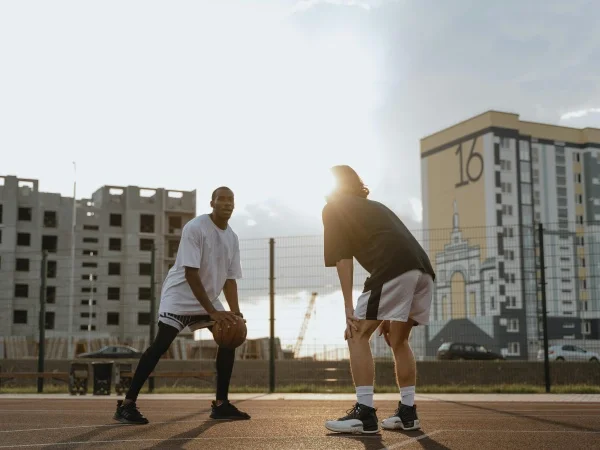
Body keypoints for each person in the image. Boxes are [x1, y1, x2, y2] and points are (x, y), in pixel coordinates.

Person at [113, 186, 251, 425]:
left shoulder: (232, 237)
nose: (227, 203)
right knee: (160, 345)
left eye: (231, 200)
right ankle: (127, 405)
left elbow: (230, 280)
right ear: (212, 203)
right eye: (222, 199)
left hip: (207, 298)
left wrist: (235, 313)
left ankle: (221, 404)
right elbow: (190, 274)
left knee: (229, 335)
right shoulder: (196, 228)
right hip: (179, 296)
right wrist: (213, 312)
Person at [321, 165, 435, 434]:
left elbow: (342, 258)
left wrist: (349, 307)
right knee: (398, 340)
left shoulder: (334, 208)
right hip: (423, 271)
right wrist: (389, 310)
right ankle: (408, 413)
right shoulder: (375, 207)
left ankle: (364, 413)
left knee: (356, 334)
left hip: (394, 269)